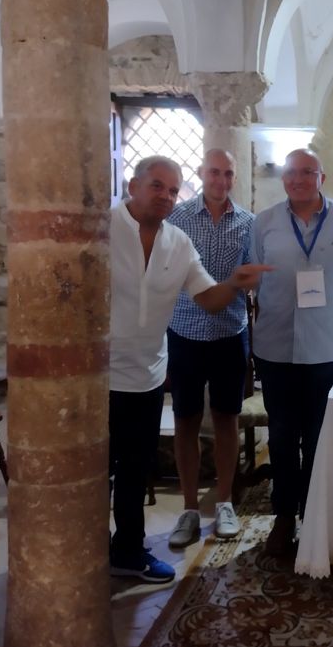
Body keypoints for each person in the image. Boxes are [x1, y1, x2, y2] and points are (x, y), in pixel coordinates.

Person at [109, 155, 269, 583]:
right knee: (102, 465)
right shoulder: (108, 227)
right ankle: (93, 548)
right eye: (156, 186)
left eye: (171, 189)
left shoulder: (182, 239)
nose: (165, 196)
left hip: (160, 365)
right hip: (116, 368)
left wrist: (235, 283)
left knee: (137, 465)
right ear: (133, 186)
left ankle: (130, 549)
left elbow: (211, 295)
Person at [249, 148, 333, 556]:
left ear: (321, 177)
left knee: (319, 437)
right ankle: (283, 518)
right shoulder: (264, 223)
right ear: (283, 179)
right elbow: (255, 281)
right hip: (276, 346)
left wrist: (332, 320)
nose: (298, 179)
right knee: (281, 436)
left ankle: (315, 519)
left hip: (326, 348)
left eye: (307, 172)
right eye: (291, 173)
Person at [164, 149, 254, 549]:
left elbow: (251, 278)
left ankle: (224, 503)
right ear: (201, 173)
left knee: (226, 419)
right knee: (185, 419)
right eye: (214, 172)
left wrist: (251, 281)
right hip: (184, 332)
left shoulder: (248, 223)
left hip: (230, 333)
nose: (221, 180)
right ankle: (188, 508)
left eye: (228, 173)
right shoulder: (177, 217)